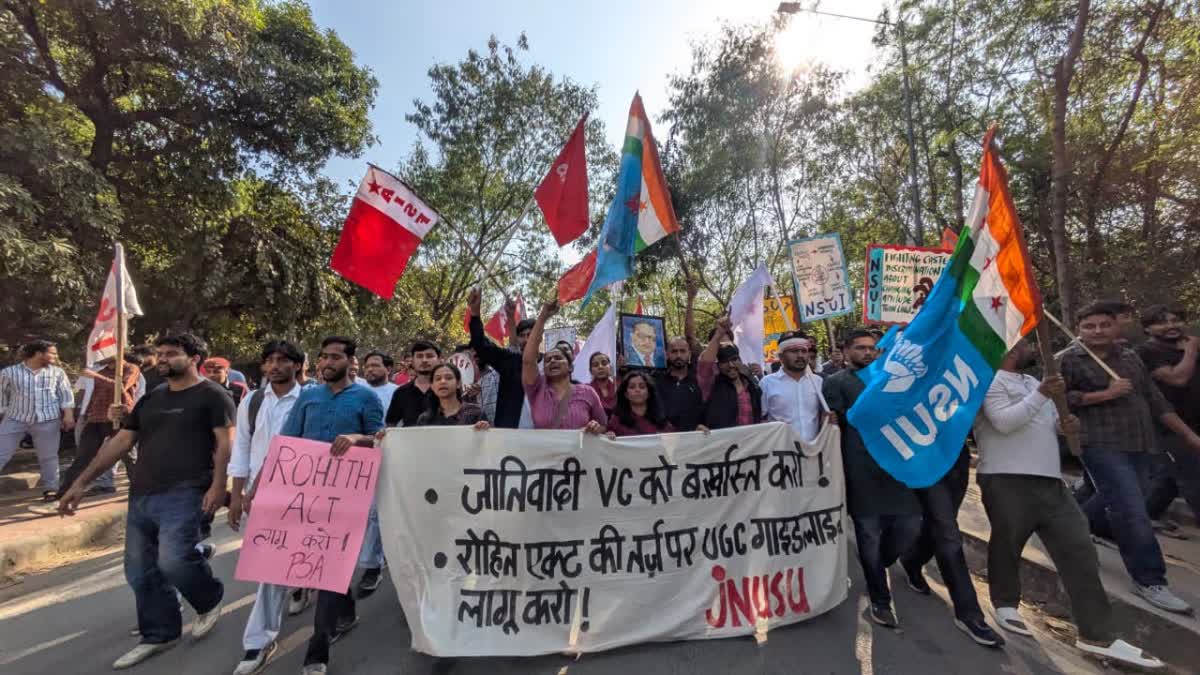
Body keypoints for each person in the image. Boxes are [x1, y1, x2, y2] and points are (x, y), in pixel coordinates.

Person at [974, 339, 1163, 669]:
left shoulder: (1032, 382)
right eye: (1022, 342)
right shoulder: (986, 382)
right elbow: (1004, 423)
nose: (1032, 346)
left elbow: (1044, 423)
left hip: (1051, 481)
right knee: (1007, 543)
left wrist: (1064, 426)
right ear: (1006, 348)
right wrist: (1043, 395)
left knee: (1080, 550)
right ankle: (1005, 602)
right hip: (1006, 477)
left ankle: (1097, 634)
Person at [57, 333, 231, 669]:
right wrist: (80, 483)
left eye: (172, 353)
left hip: (187, 489)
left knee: (174, 560)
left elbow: (225, 444)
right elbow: (121, 442)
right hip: (143, 492)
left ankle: (209, 597)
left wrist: (218, 486)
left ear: (194, 358)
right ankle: (160, 632)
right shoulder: (152, 399)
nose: (163, 359)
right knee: (139, 570)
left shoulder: (213, 395)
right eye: (161, 354)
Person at [1062, 302, 1200, 613]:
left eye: (1103, 325)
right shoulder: (1070, 360)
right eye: (1089, 326)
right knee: (1131, 509)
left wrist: (1188, 435)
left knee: (1119, 497)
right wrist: (1105, 394)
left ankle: (1069, 527)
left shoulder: (1130, 357)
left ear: (1117, 326)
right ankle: (1150, 579)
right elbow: (1061, 399)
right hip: (1098, 442)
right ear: (1079, 329)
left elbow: (1154, 398)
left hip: (1139, 443)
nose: (1097, 331)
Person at [271, 335, 384, 675]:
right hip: (306, 497)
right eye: (323, 357)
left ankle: (317, 652)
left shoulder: (367, 397)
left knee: (329, 568)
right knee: (324, 569)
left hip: (348, 497)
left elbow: (381, 442)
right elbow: (288, 441)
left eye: (335, 357)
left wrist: (357, 439)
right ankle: (345, 612)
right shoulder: (308, 397)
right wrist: (268, 486)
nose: (327, 362)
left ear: (352, 362)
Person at [823, 330, 922, 629]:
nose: (868, 353)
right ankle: (880, 600)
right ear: (846, 350)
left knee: (910, 525)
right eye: (861, 348)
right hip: (859, 470)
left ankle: (880, 564)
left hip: (896, 469)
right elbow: (831, 427)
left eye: (873, 348)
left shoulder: (893, 380)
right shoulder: (836, 383)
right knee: (868, 534)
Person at [227, 340, 307, 675]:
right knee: (270, 569)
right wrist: (236, 493)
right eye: (269, 361)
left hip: (305, 494)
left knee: (296, 558)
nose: (275, 366)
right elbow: (242, 445)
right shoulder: (253, 400)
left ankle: (302, 582)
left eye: (283, 360)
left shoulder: (311, 399)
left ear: (297, 365)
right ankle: (258, 641)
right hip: (262, 495)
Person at [1136, 305, 1200, 527]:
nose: (1171, 326)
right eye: (1162, 322)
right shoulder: (1147, 352)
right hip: (1170, 426)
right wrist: (1191, 351)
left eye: (1176, 320)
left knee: (1169, 479)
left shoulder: (1190, 346)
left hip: (1196, 421)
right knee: (1193, 476)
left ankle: (1141, 517)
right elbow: (1177, 378)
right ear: (1147, 329)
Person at [0, 340, 75, 501]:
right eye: (52, 353)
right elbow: (1, 395)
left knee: (48, 456)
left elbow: (65, 396)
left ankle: (51, 489)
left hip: (48, 420)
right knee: (1, 453)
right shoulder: (9, 373)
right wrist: (5, 412)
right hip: (15, 419)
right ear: (39, 354)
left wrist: (68, 415)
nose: (55, 356)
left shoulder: (57, 373)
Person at [522, 300, 607, 433]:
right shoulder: (537, 389)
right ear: (543, 369)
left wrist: (595, 428)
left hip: (579, 454)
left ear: (570, 367)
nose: (552, 361)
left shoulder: (588, 392)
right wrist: (543, 316)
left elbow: (603, 426)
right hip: (545, 454)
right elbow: (528, 361)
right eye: (548, 360)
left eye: (558, 358)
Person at [60, 356, 140, 496]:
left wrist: (95, 376)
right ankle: (63, 492)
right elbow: (94, 395)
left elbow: (121, 387)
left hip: (120, 416)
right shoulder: (102, 371)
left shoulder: (131, 368)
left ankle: (142, 488)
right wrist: (86, 413)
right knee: (83, 457)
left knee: (128, 456)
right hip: (96, 418)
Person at [467, 288, 535, 429]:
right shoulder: (511, 362)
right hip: (508, 438)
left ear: (540, 336)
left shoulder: (552, 365)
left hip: (546, 439)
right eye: (523, 335)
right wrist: (475, 313)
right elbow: (481, 344)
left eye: (532, 334)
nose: (527, 340)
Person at [760, 330, 828, 442]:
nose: (800, 355)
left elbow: (824, 416)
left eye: (804, 351)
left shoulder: (818, 381)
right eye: (794, 351)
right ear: (781, 356)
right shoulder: (767, 383)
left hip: (813, 451)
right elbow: (761, 420)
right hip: (781, 453)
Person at [697, 318, 761, 429]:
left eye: (734, 359)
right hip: (724, 444)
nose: (731, 365)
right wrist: (718, 334)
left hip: (751, 443)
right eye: (724, 361)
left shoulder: (750, 383)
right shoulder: (711, 384)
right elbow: (705, 364)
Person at [414, 363, 490, 428]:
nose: (443, 382)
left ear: (458, 383)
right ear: (432, 386)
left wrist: (484, 429)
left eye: (448, 378)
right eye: (438, 379)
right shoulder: (424, 419)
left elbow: (485, 442)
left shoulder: (475, 412)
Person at [653, 336, 704, 432]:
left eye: (683, 351)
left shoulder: (699, 379)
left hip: (695, 439)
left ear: (689, 354)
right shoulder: (656, 381)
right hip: (664, 440)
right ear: (667, 354)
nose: (679, 355)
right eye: (674, 351)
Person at [385, 341, 440, 428]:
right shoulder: (401, 392)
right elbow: (391, 425)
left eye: (429, 356)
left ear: (439, 360)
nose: (424, 360)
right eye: (419, 356)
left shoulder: (448, 390)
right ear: (413, 362)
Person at [607, 371, 674, 437]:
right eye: (632, 387)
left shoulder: (661, 421)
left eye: (642, 387)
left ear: (649, 393)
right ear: (626, 394)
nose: (637, 390)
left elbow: (672, 444)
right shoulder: (616, 422)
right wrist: (609, 436)